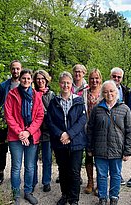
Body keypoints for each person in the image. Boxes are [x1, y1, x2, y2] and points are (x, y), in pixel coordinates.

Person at [87, 80, 131, 205]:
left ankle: (114, 197)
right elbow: (90, 129)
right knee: (101, 174)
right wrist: (90, 148)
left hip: (117, 149)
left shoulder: (124, 109)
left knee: (116, 174)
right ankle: (102, 197)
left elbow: (130, 131)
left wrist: (128, 150)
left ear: (116, 92)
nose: (109, 94)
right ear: (102, 93)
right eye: (106, 91)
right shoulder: (97, 109)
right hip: (99, 149)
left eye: (111, 91)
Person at [4, 69, 44, 205]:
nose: (26, 81)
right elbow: (8, 116)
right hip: (15, 136)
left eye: (28, 79)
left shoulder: (36, 96)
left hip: (31, 136)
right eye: (23, 78)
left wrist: (28, 132)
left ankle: (28, 192)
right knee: (16, 166)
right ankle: (15, 194)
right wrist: (21, 133)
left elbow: (39, 117)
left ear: (31, 80)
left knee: (30, 166)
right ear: (20, 79)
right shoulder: (12, 94)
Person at [47, 71, 87, 205]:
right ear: (59, 84)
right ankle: (64, 195)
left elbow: (82, 120)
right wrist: (61, 135)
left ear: (72, 85)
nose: (65, 85)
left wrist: (69, 134)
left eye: (68, 83)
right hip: (60, 142)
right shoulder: (54, 101)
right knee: (63, 170)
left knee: (75, 171)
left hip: (76, 141)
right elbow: (50, 121)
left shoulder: (78, 100)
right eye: (63, 83)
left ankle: (74, 199)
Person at [0, 60, 22, 185]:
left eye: (17, 69)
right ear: (10, 70)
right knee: (2, 147)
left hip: (19, 123)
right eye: (13, 69)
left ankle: (15, 173)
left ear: (21, 69)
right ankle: (0, 172)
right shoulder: (3, 86)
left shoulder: (25, 84)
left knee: (17, 148)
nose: (15, 71)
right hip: (4, 121)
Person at [32, 70, 55, 193]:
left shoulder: (51, 94)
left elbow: (53, 111)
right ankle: (33, 181)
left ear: (46, 80)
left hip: (47, 130)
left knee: (47, 158)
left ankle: (46, 181)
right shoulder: (31, 93)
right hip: (34, 130)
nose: (40, 81)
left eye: (42, 79)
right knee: (33, 158)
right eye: (38, 79)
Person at [84, 68, 102, 195]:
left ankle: (100, 184)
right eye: (92, 78)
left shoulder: (104, 92)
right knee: (89, 156)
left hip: (101, 130)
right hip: (88, 129)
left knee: (100, 158)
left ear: (100, 79)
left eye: (96, 78)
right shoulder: (85, 93)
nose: (94, 80)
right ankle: (90, 182)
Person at [110, 67, 130, 185]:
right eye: (114, 76)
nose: (116, 79)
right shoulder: (105, 88)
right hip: (106, 121)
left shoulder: (126, 90)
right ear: (110, 76)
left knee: (118, 149)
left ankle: (118, 174)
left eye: (119, 77)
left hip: (121, 123)